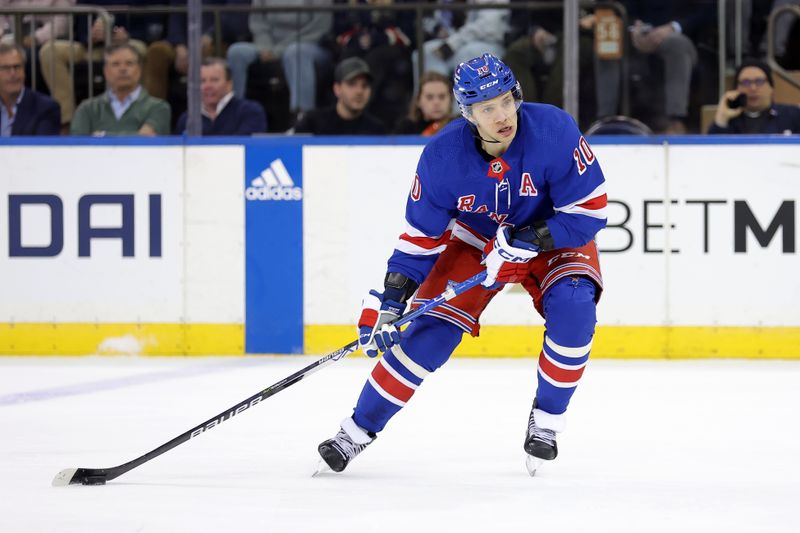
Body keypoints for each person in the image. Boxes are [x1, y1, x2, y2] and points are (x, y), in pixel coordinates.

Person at [316, 53, 607, 475]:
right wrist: (394, 299)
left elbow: (589, 212)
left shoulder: (554, 130)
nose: (502, 115)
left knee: (575, 308)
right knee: (428, 336)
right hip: (476, 241)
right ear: (468, 113)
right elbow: (421, 237)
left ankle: (545, 423)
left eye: (507, 101)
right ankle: (355, 431)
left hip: (554, 236)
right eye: (487, 108)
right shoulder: (442, 157)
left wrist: (530, 238)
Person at [39, 0, 163, 132]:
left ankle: (142, 114)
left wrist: (126, 37)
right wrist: (90, 37)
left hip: (128, 45)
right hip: (91, 48)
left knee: (140, 49)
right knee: (50, 51)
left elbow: (153, 27)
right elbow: (78, 27)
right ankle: (67, 121)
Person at [226, 0, 333, 116]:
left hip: (310, 45)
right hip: (268, 45)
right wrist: (265, 46)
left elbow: (318, 29)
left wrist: (278, 50)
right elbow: (258, 23)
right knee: (237, 52)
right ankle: (233, 113)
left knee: (296, 52)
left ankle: (302, 117)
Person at [71, 43, 170, 136]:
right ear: (106, 71)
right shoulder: (87, 109)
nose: (123, 69)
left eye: (129, 64)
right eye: (115, 64)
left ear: (139, 70)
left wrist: (101, 136)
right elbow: (76, 146)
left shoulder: (158, 108)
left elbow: (144, 139)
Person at [412, 0, 510, 86]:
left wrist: (453, 43)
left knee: (467, 54)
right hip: (461, 40)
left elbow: (488, 27)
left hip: (490, 42)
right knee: (426, 53)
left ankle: (462, 106)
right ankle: (432, 102)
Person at [294, 56, 386, 135]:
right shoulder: (312, 123)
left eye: (365, 86)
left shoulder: (377, 130)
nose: (359, 91)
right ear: (337, 89)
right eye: (351, 84)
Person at [174, 57, 266, 135]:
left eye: (214, 80)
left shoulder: (249, 112)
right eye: (202, 81)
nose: (207, 86)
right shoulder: (187, 118)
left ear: (229, 84)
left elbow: (248, 148)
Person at [708, 59, 800, 135]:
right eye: (745, 82)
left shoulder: (792, 114)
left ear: (771, 88)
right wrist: (721, 119)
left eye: (759, 81)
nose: (753, 88)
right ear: (736, 89)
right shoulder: (729, 120)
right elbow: (710, 152)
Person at [0, 43, 60, 135]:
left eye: (17, 67)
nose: (13, 73)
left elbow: (41, 148)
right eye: (5, 68)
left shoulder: (46, 108)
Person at [394, 70, 455, 135]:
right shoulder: (405, 129)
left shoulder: (461, 127)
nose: (436, 102)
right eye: (429, 97)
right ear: (418, 100)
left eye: (442, 97)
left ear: (451, 99)